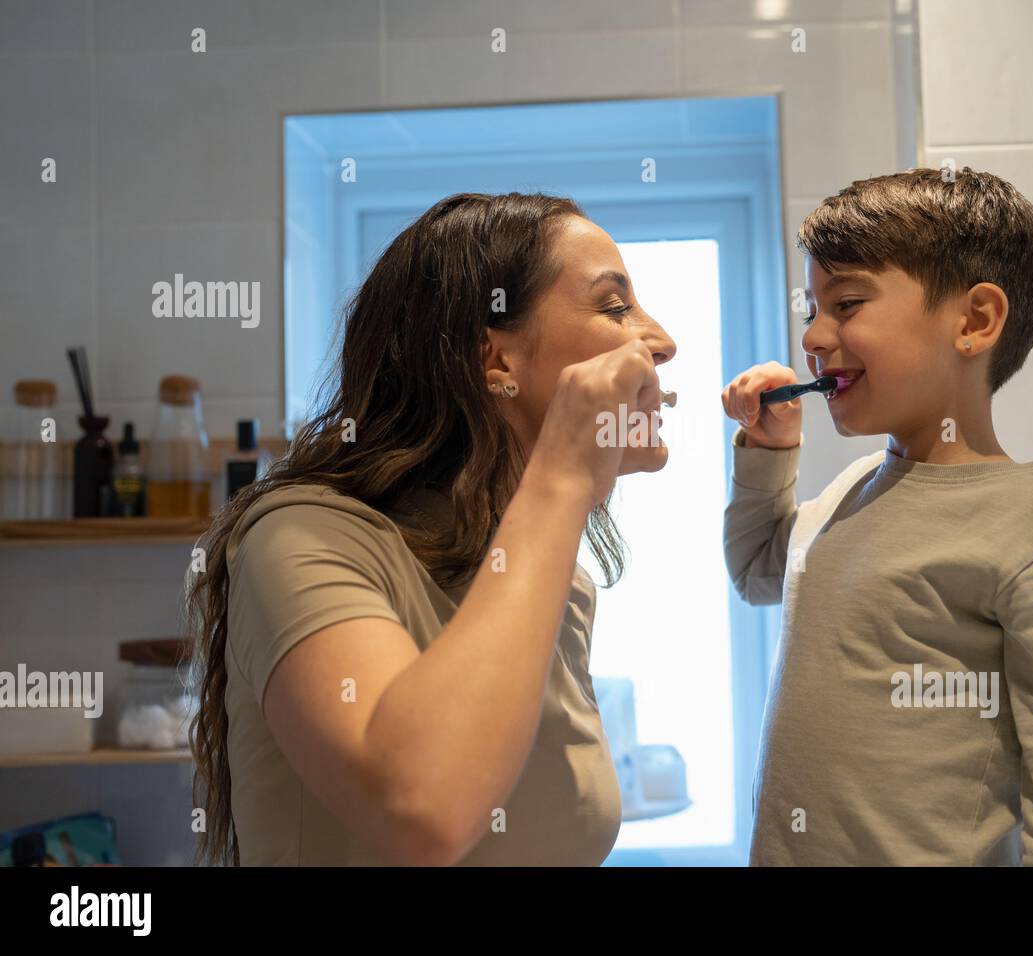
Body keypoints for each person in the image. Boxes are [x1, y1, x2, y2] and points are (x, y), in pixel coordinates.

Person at [187, 192, 676, 866]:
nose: (662, 341)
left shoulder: (550, 580)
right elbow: (421, 812)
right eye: (615, 306)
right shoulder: (297, 539)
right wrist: (563, 476)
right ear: (497, 363)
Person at [722, 168, 1033, 865]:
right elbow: (761, 572)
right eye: (811, 311)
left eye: (846, 303)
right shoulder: (853, 490)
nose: (814, 338)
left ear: (974, 322)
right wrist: (769, 449)